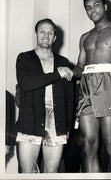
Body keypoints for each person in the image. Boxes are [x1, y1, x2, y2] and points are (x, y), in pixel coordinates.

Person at [61, 0, 111, 172]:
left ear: (105, 6)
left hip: (108, 83)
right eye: (88, 7)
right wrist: (70, 71)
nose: (92, 10)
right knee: (88, 147)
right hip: (86, 87)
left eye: (96, 5)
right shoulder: (85, 37)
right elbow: (80, 67)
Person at [15, 18, 75, 173]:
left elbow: (69, 98)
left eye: (50, 33)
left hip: (57, 125)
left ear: (55, 37)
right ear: (36, 34)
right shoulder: (24, 58)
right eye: (42, 31)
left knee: (52, 173)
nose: (46, 36)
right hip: (30, 122)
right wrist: (57, 74)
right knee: (27, 172)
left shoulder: (63, 62)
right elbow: (26, 84)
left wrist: (67, 127)